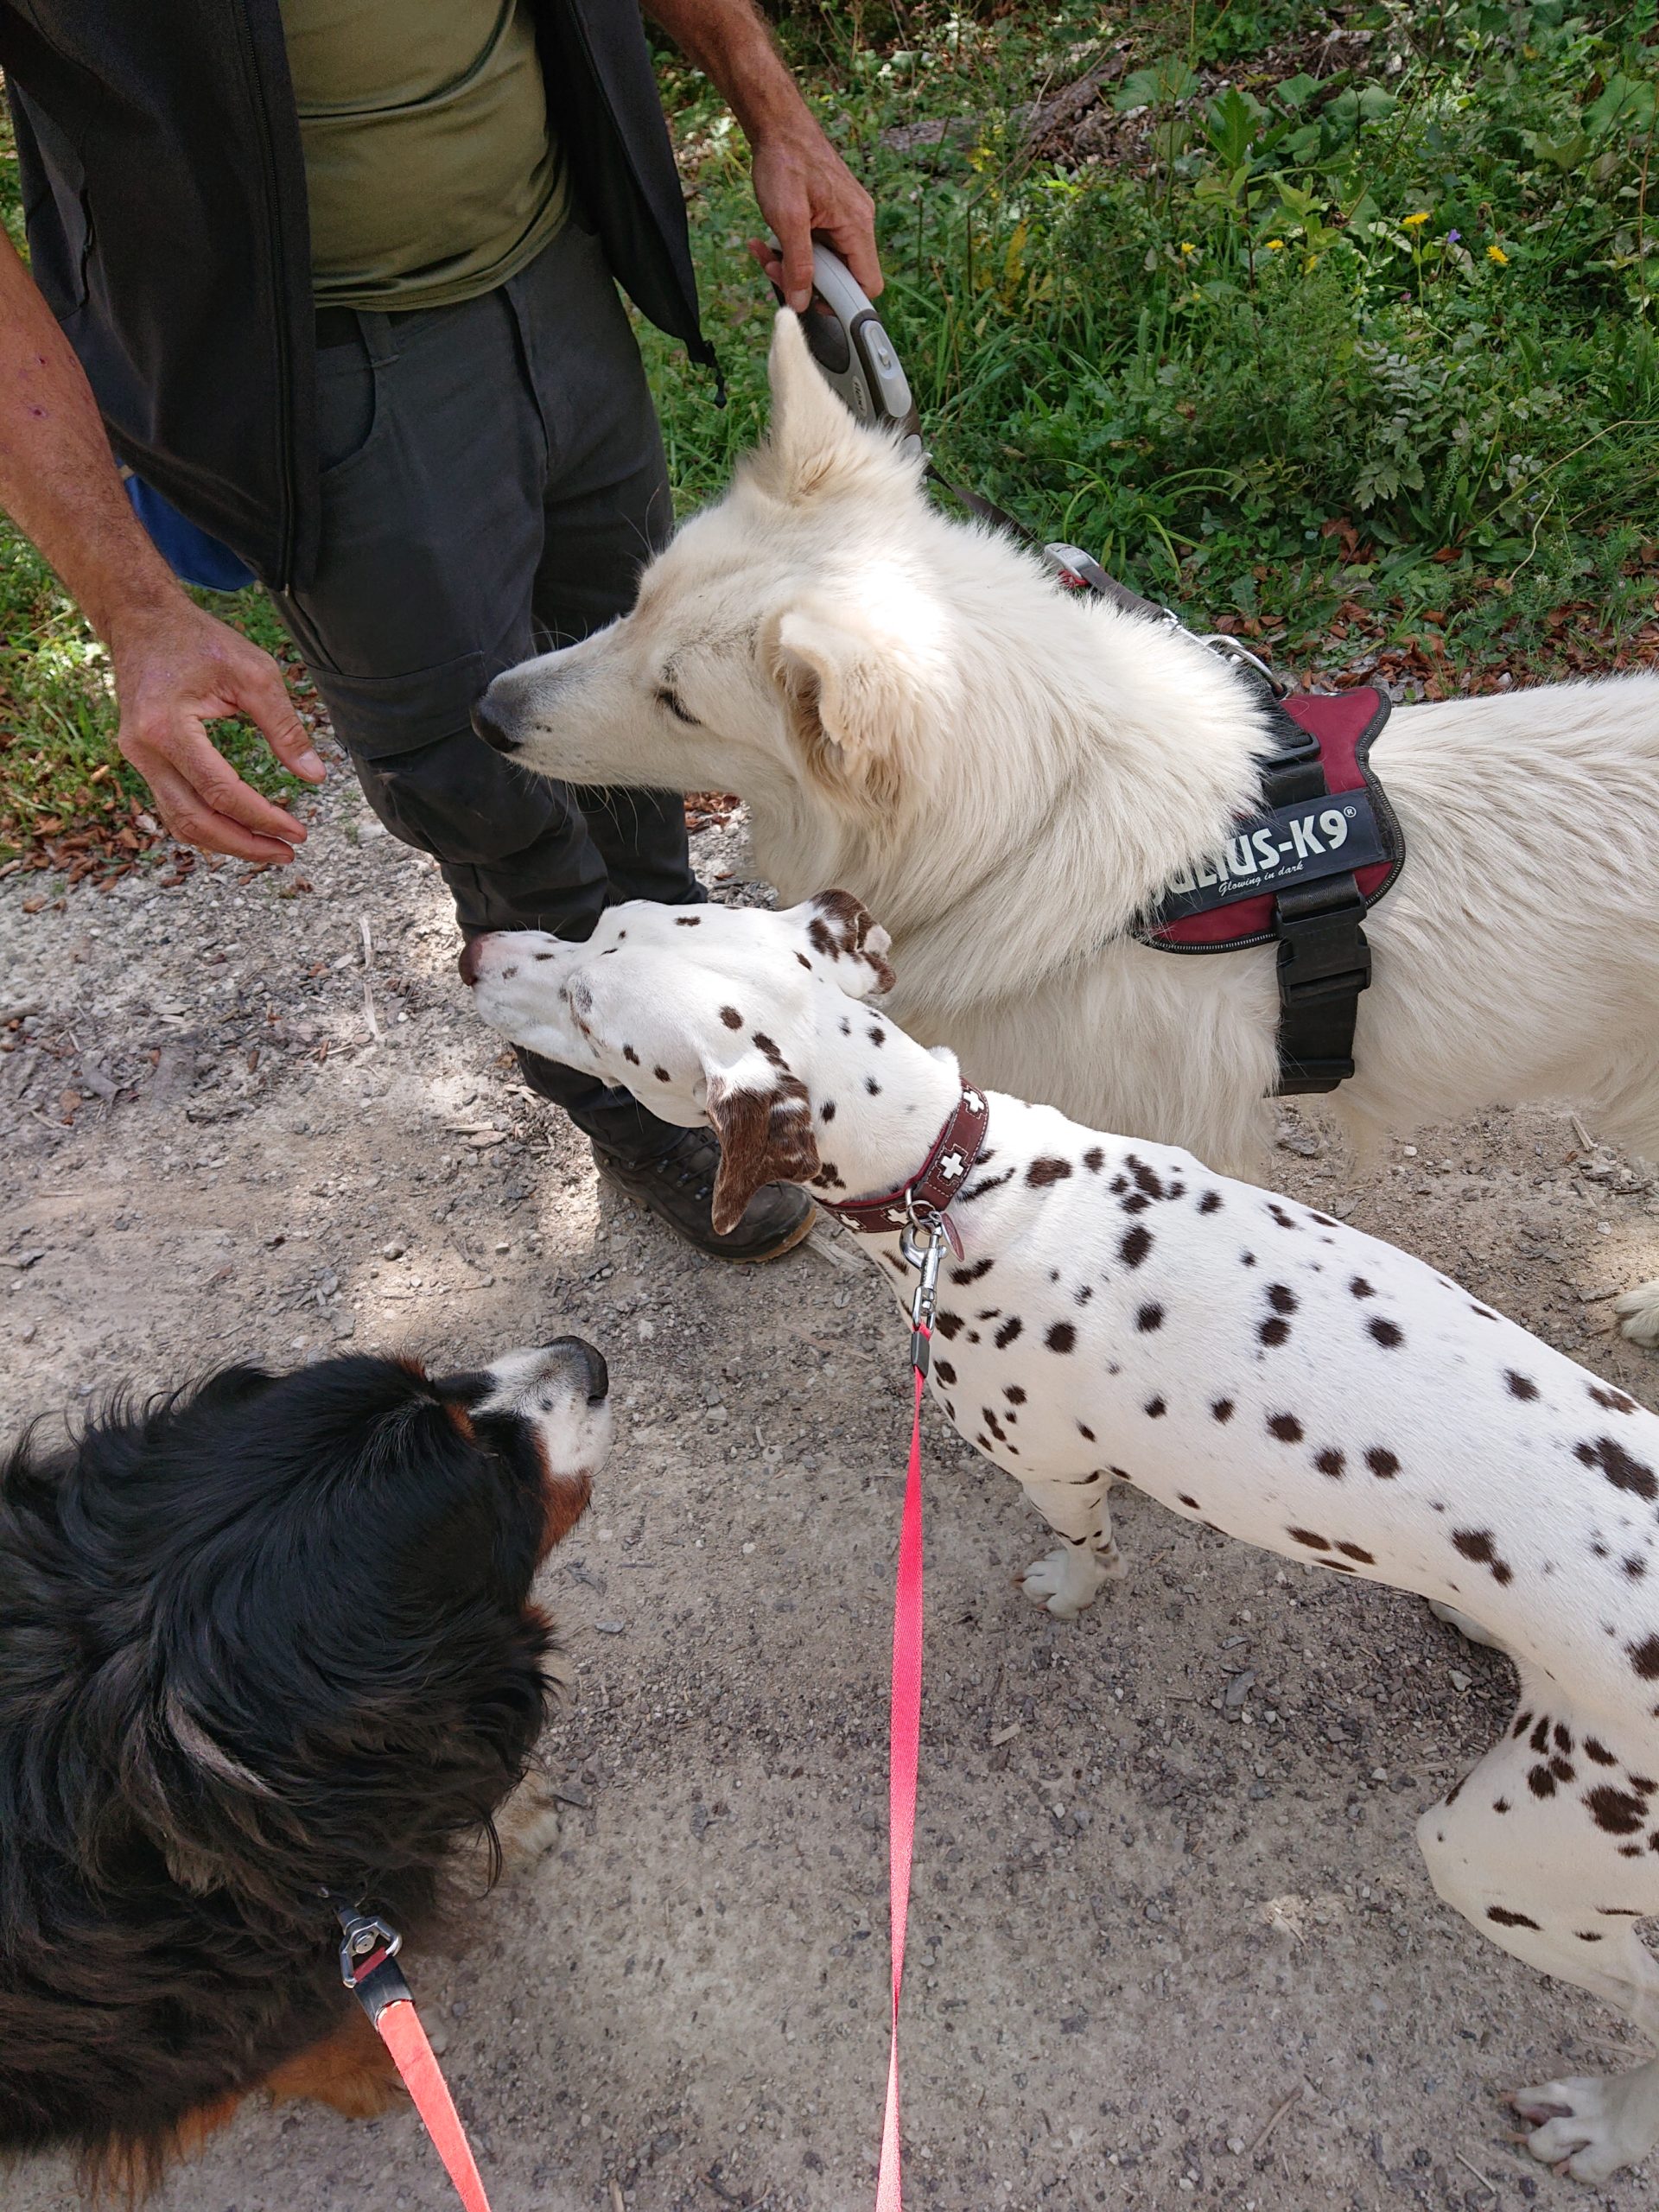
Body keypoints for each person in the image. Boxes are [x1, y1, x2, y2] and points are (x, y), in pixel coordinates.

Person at [0, 0, 881, 1259]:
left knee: (640, 704)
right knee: (482, 779)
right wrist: (135, 612)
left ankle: (692, 1000)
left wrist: (773, 108)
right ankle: (625, 1095)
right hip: (313, 368)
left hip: (562, 268)